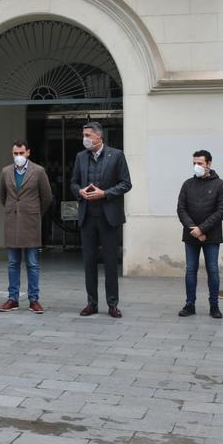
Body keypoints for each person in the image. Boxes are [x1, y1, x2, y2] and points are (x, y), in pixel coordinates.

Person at [70, 122, 132, 319]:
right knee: (89, 262)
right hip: (87, 216)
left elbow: (126, 184)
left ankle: (112, 304)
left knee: (111, 262)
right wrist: (79, 191)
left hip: (108, 217)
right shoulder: (81, 157)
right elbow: (73, 182)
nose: (85, 138)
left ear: (99, 137)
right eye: (84, 135)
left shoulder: (117, 155)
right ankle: (91, 303)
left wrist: (105, 193)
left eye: (88, 135)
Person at [0, 141, 54, 313]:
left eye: (21, 153)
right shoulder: (6, 171)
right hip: (12, 223)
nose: (18, 157)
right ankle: (12, 298)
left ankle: (34, 299)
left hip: (31, 223)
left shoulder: (38, 171)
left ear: (28, 152)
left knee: (32, 263)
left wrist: (35, 213)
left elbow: (47, 197)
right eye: (15, 153)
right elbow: (3, 196)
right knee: (13, 263)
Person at [176, 150, 223, 319]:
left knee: (212, 270)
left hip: (211, 236)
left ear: (209, 164)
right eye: (194, 163)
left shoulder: (220, 185)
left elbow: (221, 211)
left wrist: (202, 229)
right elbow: (181, 209)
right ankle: (189, 304)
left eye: (200, 163)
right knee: (191, 270)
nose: (196, 166)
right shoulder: (187, 184)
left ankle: (214, 306)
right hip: (191, 236)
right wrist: (194, 229)